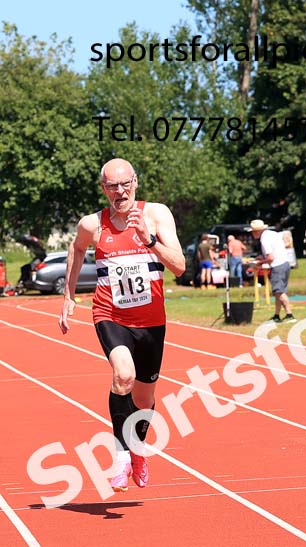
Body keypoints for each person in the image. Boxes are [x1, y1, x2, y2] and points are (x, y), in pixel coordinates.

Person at [58, 158, 185, 491]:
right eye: (112, 186)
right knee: (123, 375)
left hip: (151, 322)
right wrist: (69, 294)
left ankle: (138, 448)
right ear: (103, 189)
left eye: (125, 184)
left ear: (136, 182)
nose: (119, 191)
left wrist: (149, 240)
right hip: (110, 314)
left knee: (144, 400)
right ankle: (121, 456)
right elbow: (77, 249)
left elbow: (181, 267)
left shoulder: (157, 214)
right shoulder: (92, 223)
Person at [250, 219, 296, 323]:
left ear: (257, 231)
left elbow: (271, 258)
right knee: (279, 291)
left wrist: (259, 263)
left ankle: (289, 314)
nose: (252, 234)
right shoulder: (273, 234)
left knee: (279, 291)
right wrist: (262, 257)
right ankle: (277, 315)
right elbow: (276, 250)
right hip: (285, 263)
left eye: (253, 231)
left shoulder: (264, 239)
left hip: (277, 265)